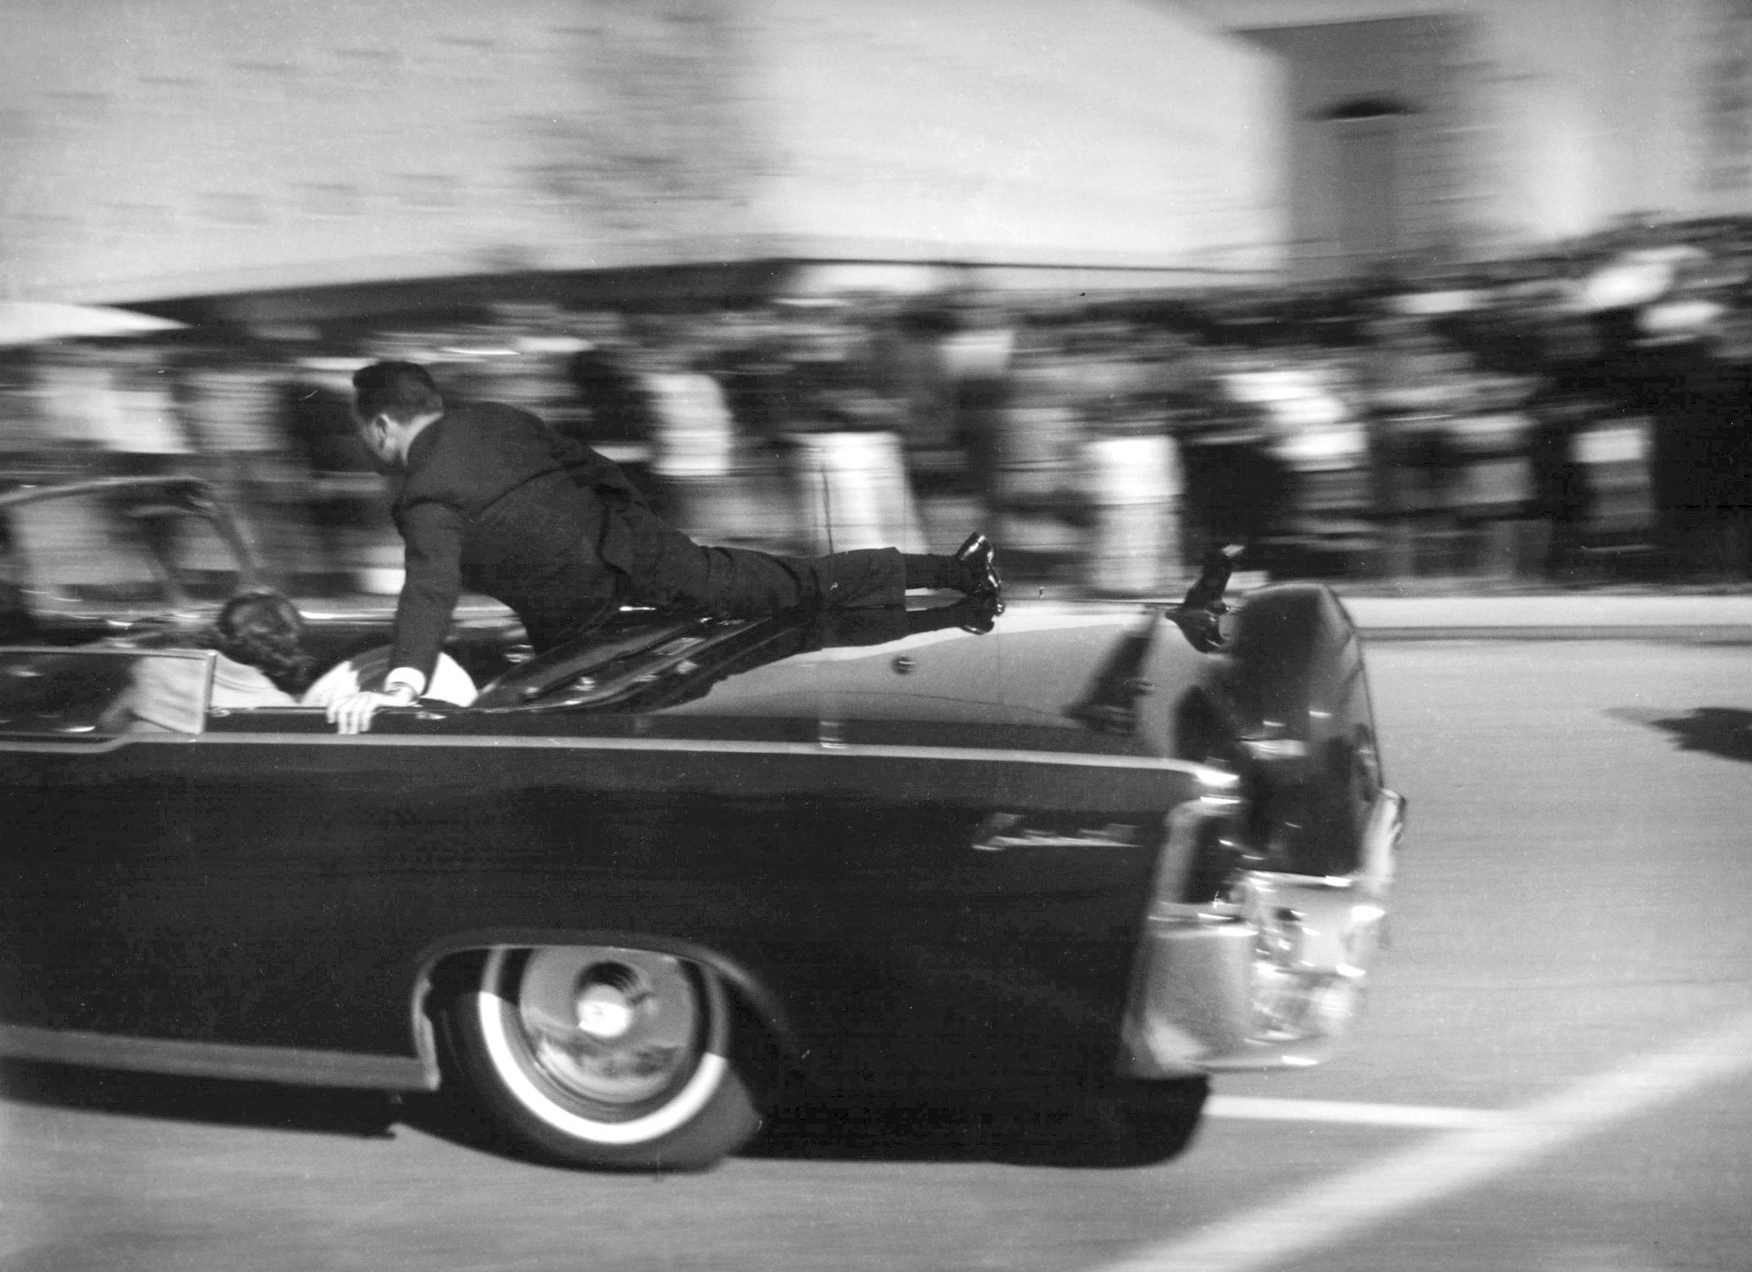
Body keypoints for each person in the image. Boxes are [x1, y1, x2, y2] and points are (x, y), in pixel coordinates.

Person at [326, 361, 1002, 734]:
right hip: (642, 556)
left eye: (365, 433)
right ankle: (954, 571)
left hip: (575, 629)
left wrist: (402, 683)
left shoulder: (421, 495)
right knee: (793, 582)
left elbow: (431, 589)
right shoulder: (497, 419)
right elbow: (593, 467)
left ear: (382, 425)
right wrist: (638, 534)